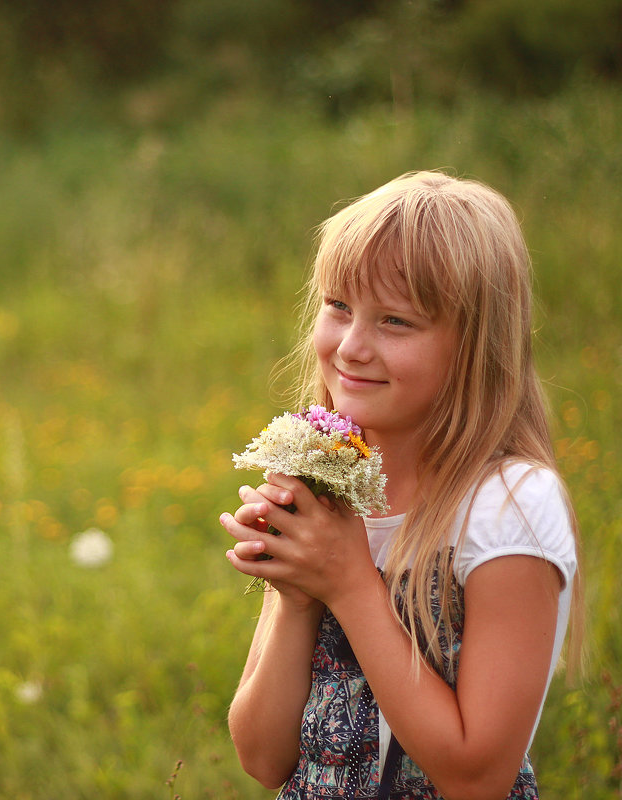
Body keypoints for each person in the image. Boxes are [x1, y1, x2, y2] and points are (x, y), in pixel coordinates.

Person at [219, 171, 581, 800]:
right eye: (338, 307)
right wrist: (296, 596)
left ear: (475, 347)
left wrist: (350, 582)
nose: (351, 348)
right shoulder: (329, 482)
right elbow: (262, 756)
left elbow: (478, 777)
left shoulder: (508, 506)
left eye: (395, 321)